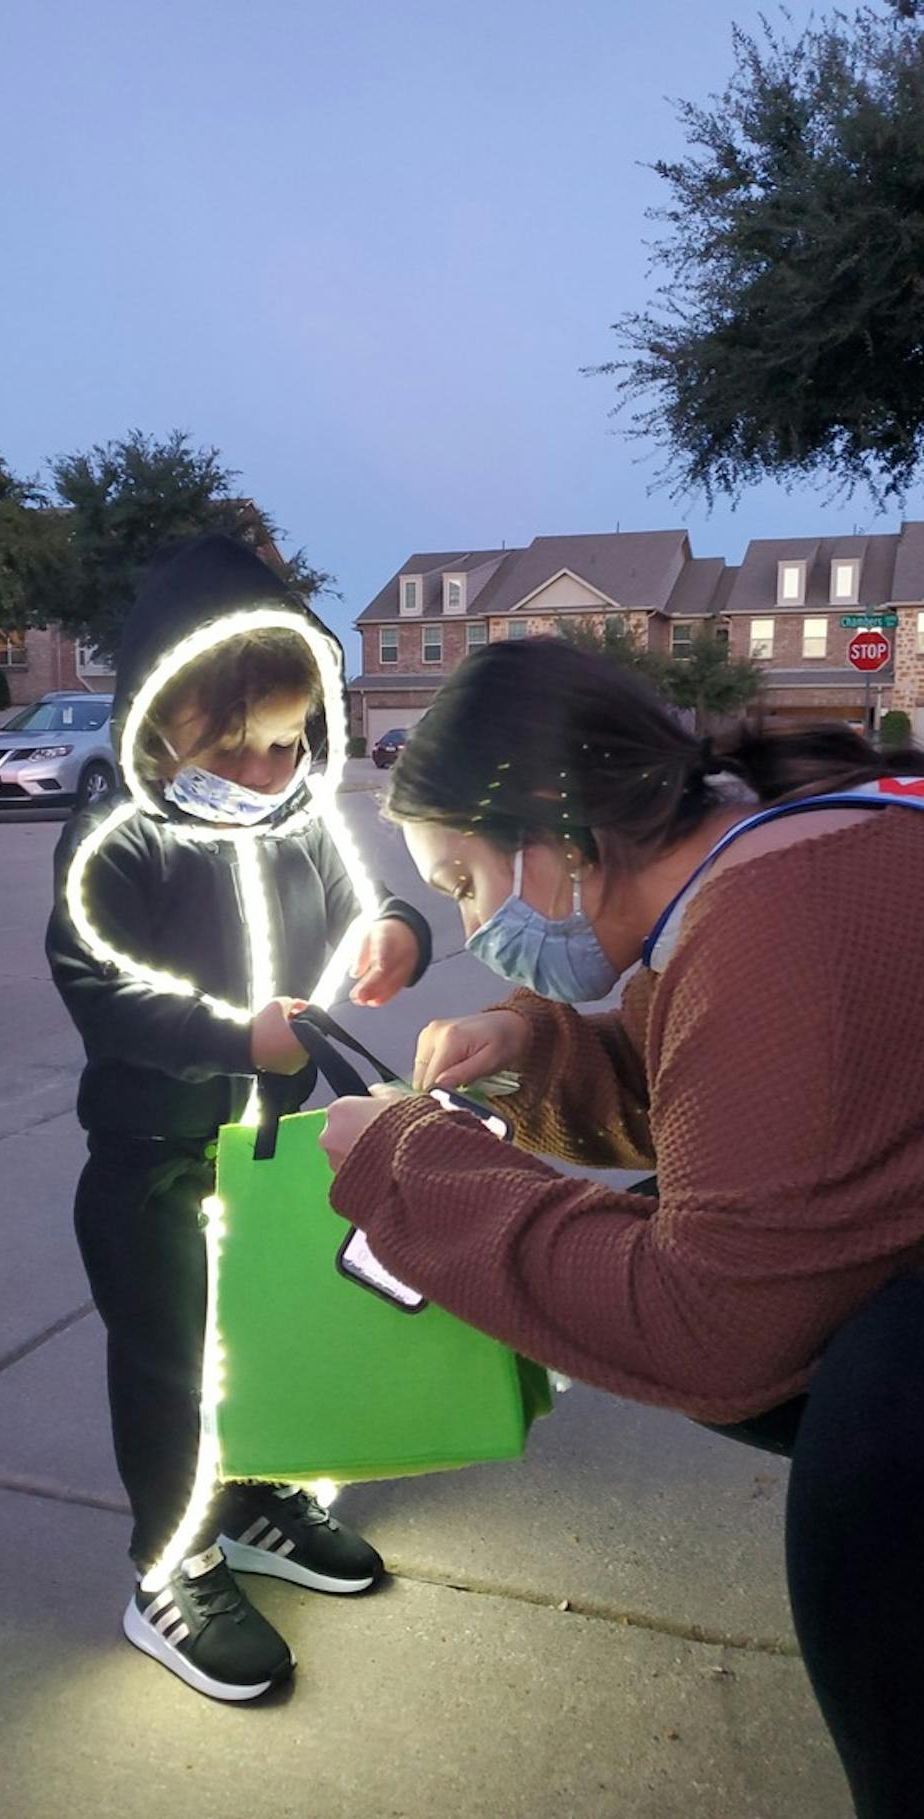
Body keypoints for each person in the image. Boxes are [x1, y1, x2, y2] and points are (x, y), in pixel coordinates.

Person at [319, 637, 924, 1818]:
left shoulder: (775, 916)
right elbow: (753, 1102)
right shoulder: (791, 838)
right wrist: (534, 1047)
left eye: (460, 883)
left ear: (557, 837)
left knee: (870, 1448)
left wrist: (407, 1166)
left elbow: (713, 1324)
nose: (470, 923)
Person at [46, 534, 431, 1704]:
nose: (272, 768)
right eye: (244, 744)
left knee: (260, 1342)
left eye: (290, 739)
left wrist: (397, 934)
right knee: (170, 1365)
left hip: (267, 1156)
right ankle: (169, 1562)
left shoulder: (302, 819)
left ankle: (255, 1496)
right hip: (153, 1160)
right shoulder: (123, 838)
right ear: (168, 723)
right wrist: (233, 1035)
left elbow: (375, 898)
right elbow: (98, 981)